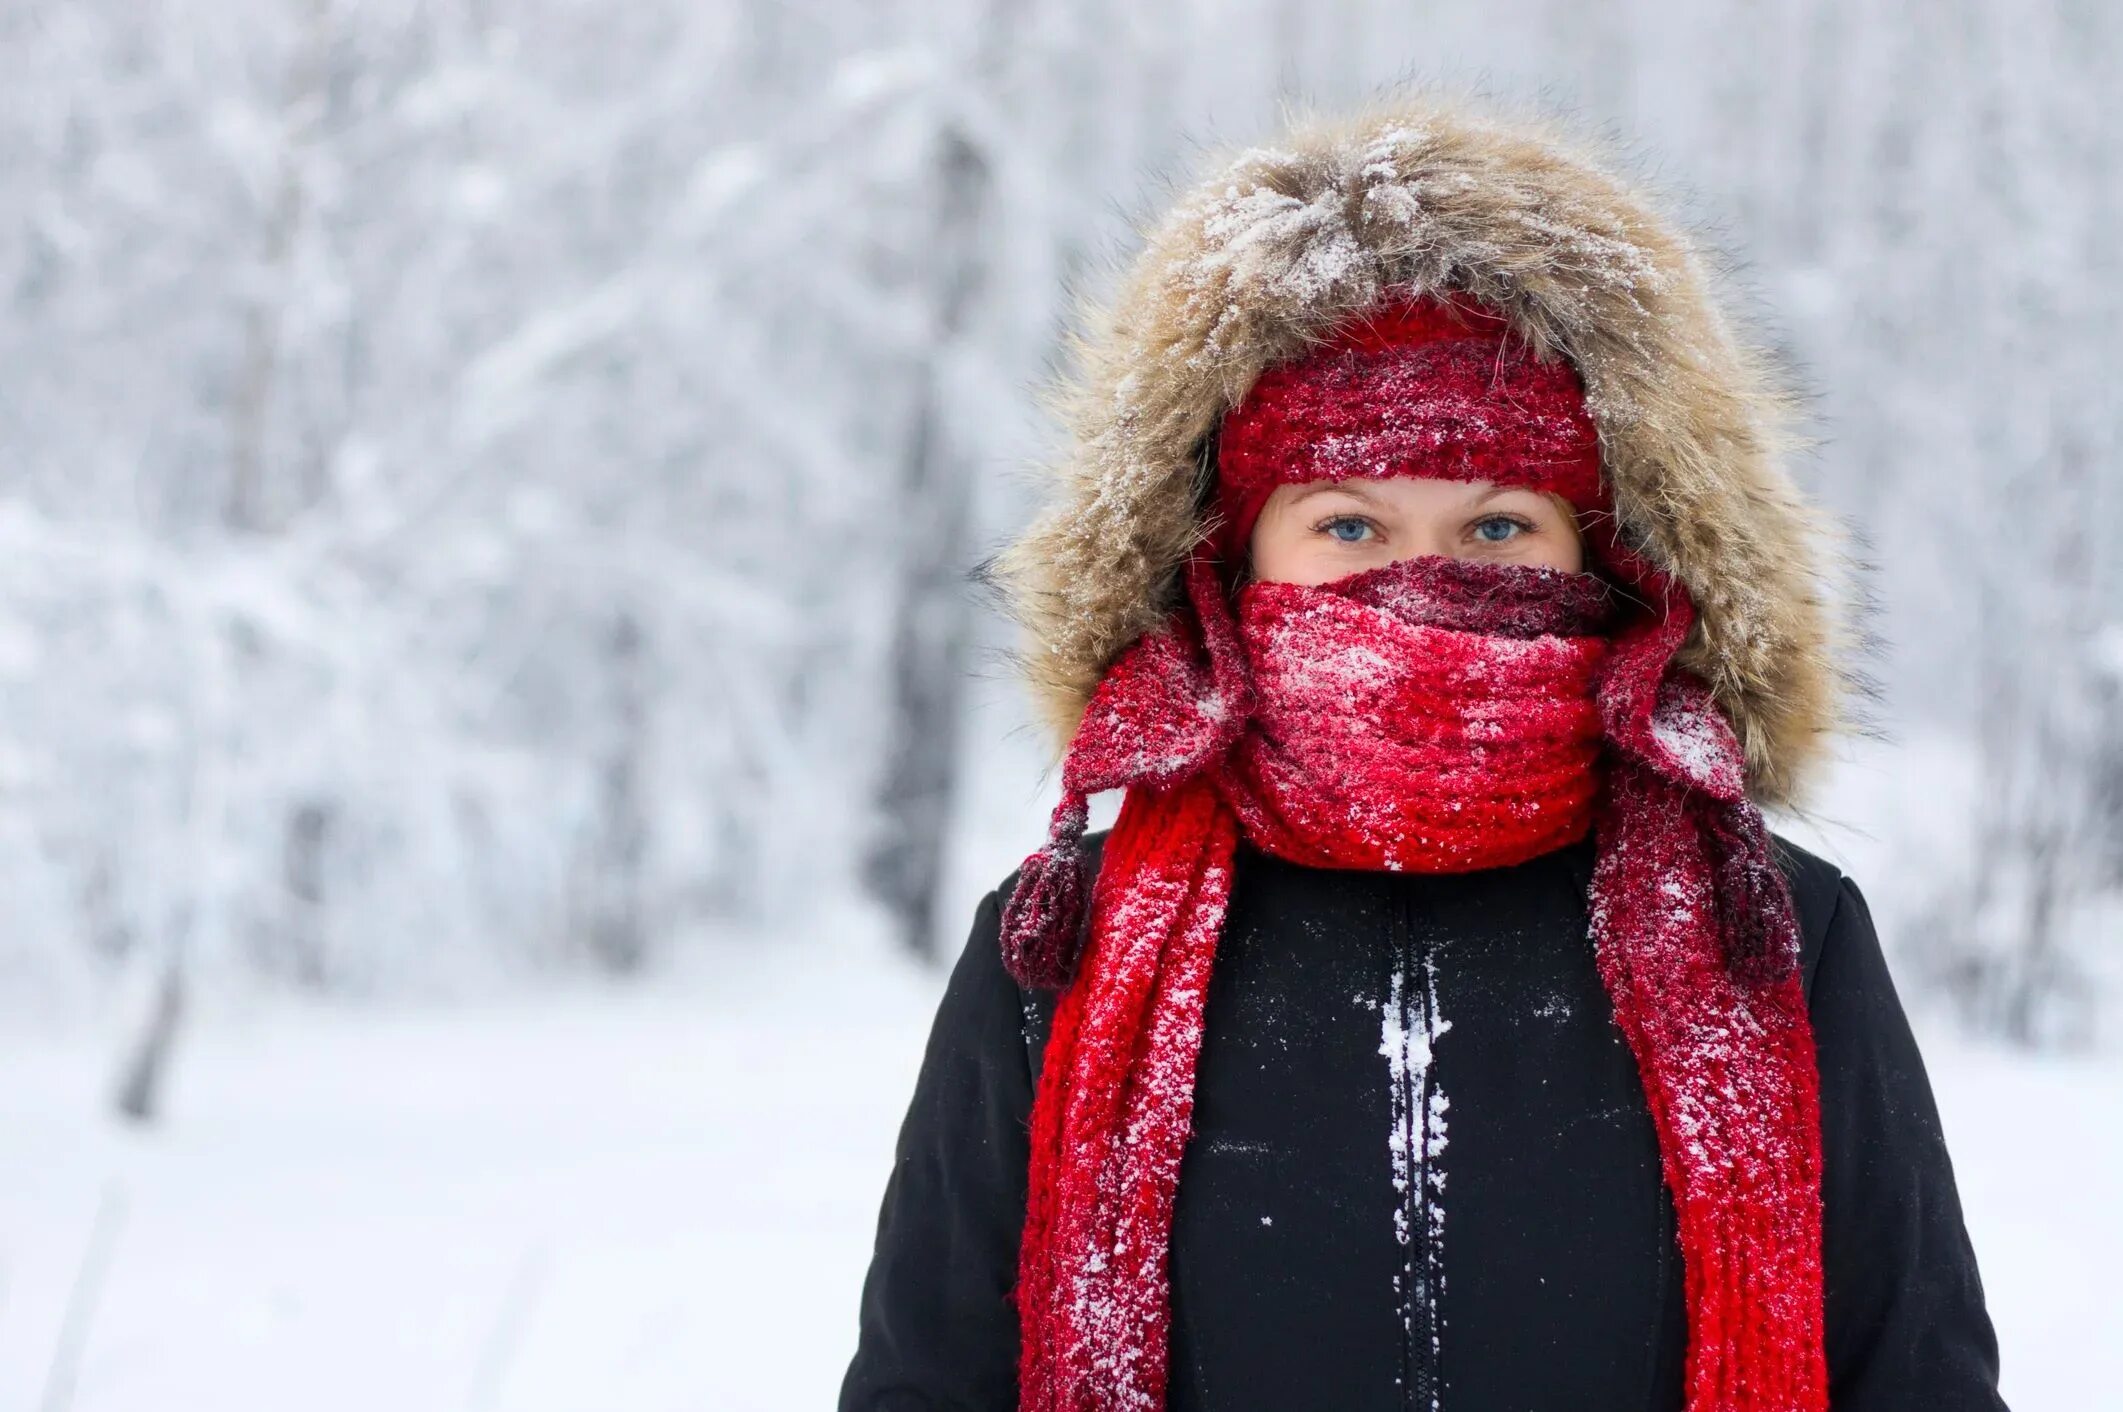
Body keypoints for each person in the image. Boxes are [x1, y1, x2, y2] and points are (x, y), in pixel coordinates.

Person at [840, 94, 2007, 1412]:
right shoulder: (1063, 948)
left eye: (1499, 527)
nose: (1424, 580)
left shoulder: (1777, 932)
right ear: (1226, 560)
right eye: (1347, 524)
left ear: (1606, 559)